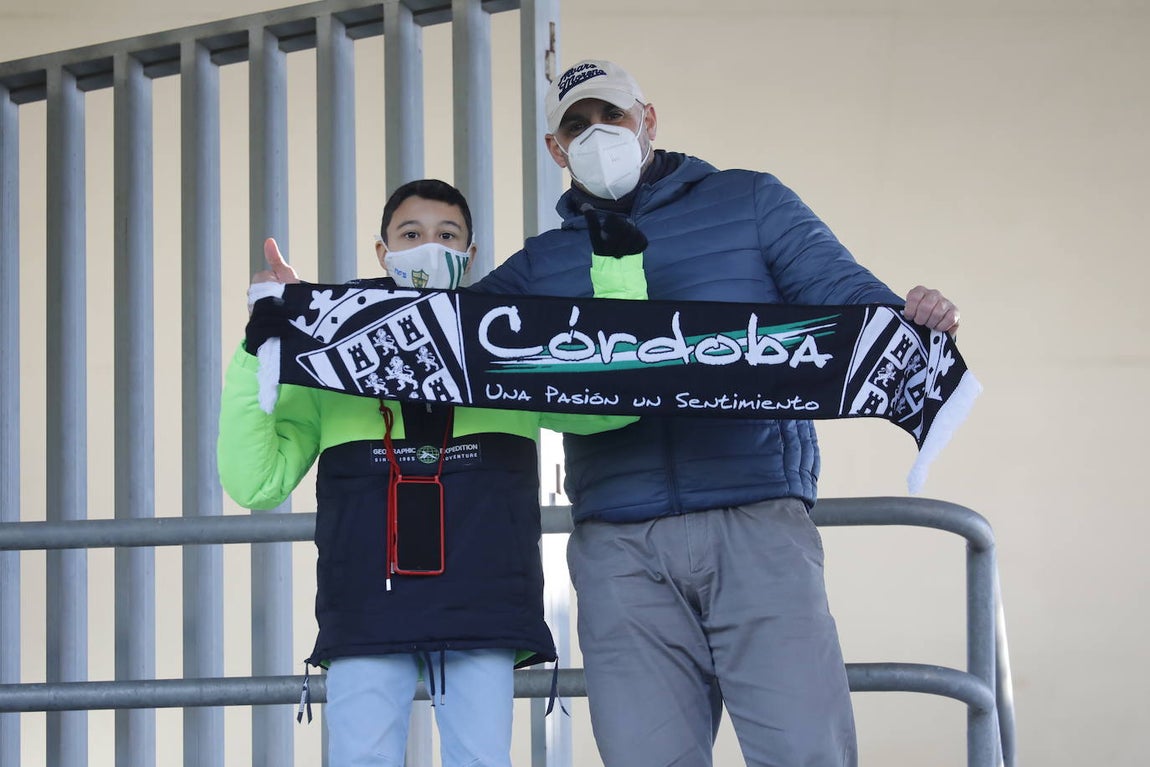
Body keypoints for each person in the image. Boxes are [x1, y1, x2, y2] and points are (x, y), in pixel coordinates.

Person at [472, 60, 963, 766]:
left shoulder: (751, 201)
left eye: (611, 116)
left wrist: (913, 320)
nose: (596, 134)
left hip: (756, 518)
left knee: (804, 751)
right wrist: (302, 320)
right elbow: (440, 342)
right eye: (576, 125)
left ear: (648, 118)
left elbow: (847, 298)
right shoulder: (539, 265)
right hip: (619, 547)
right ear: (556, 149)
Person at [217, 179, 645, 767]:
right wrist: (259, 352)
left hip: (482, 605)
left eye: (447, 235)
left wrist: (618, 273)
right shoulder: (329, 357)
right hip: (367, 605)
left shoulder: (509, 346)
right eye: (410, 234)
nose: (428, 246)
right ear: (382, 252)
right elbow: (255, 482)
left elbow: (618, 401)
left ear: (469, 256)